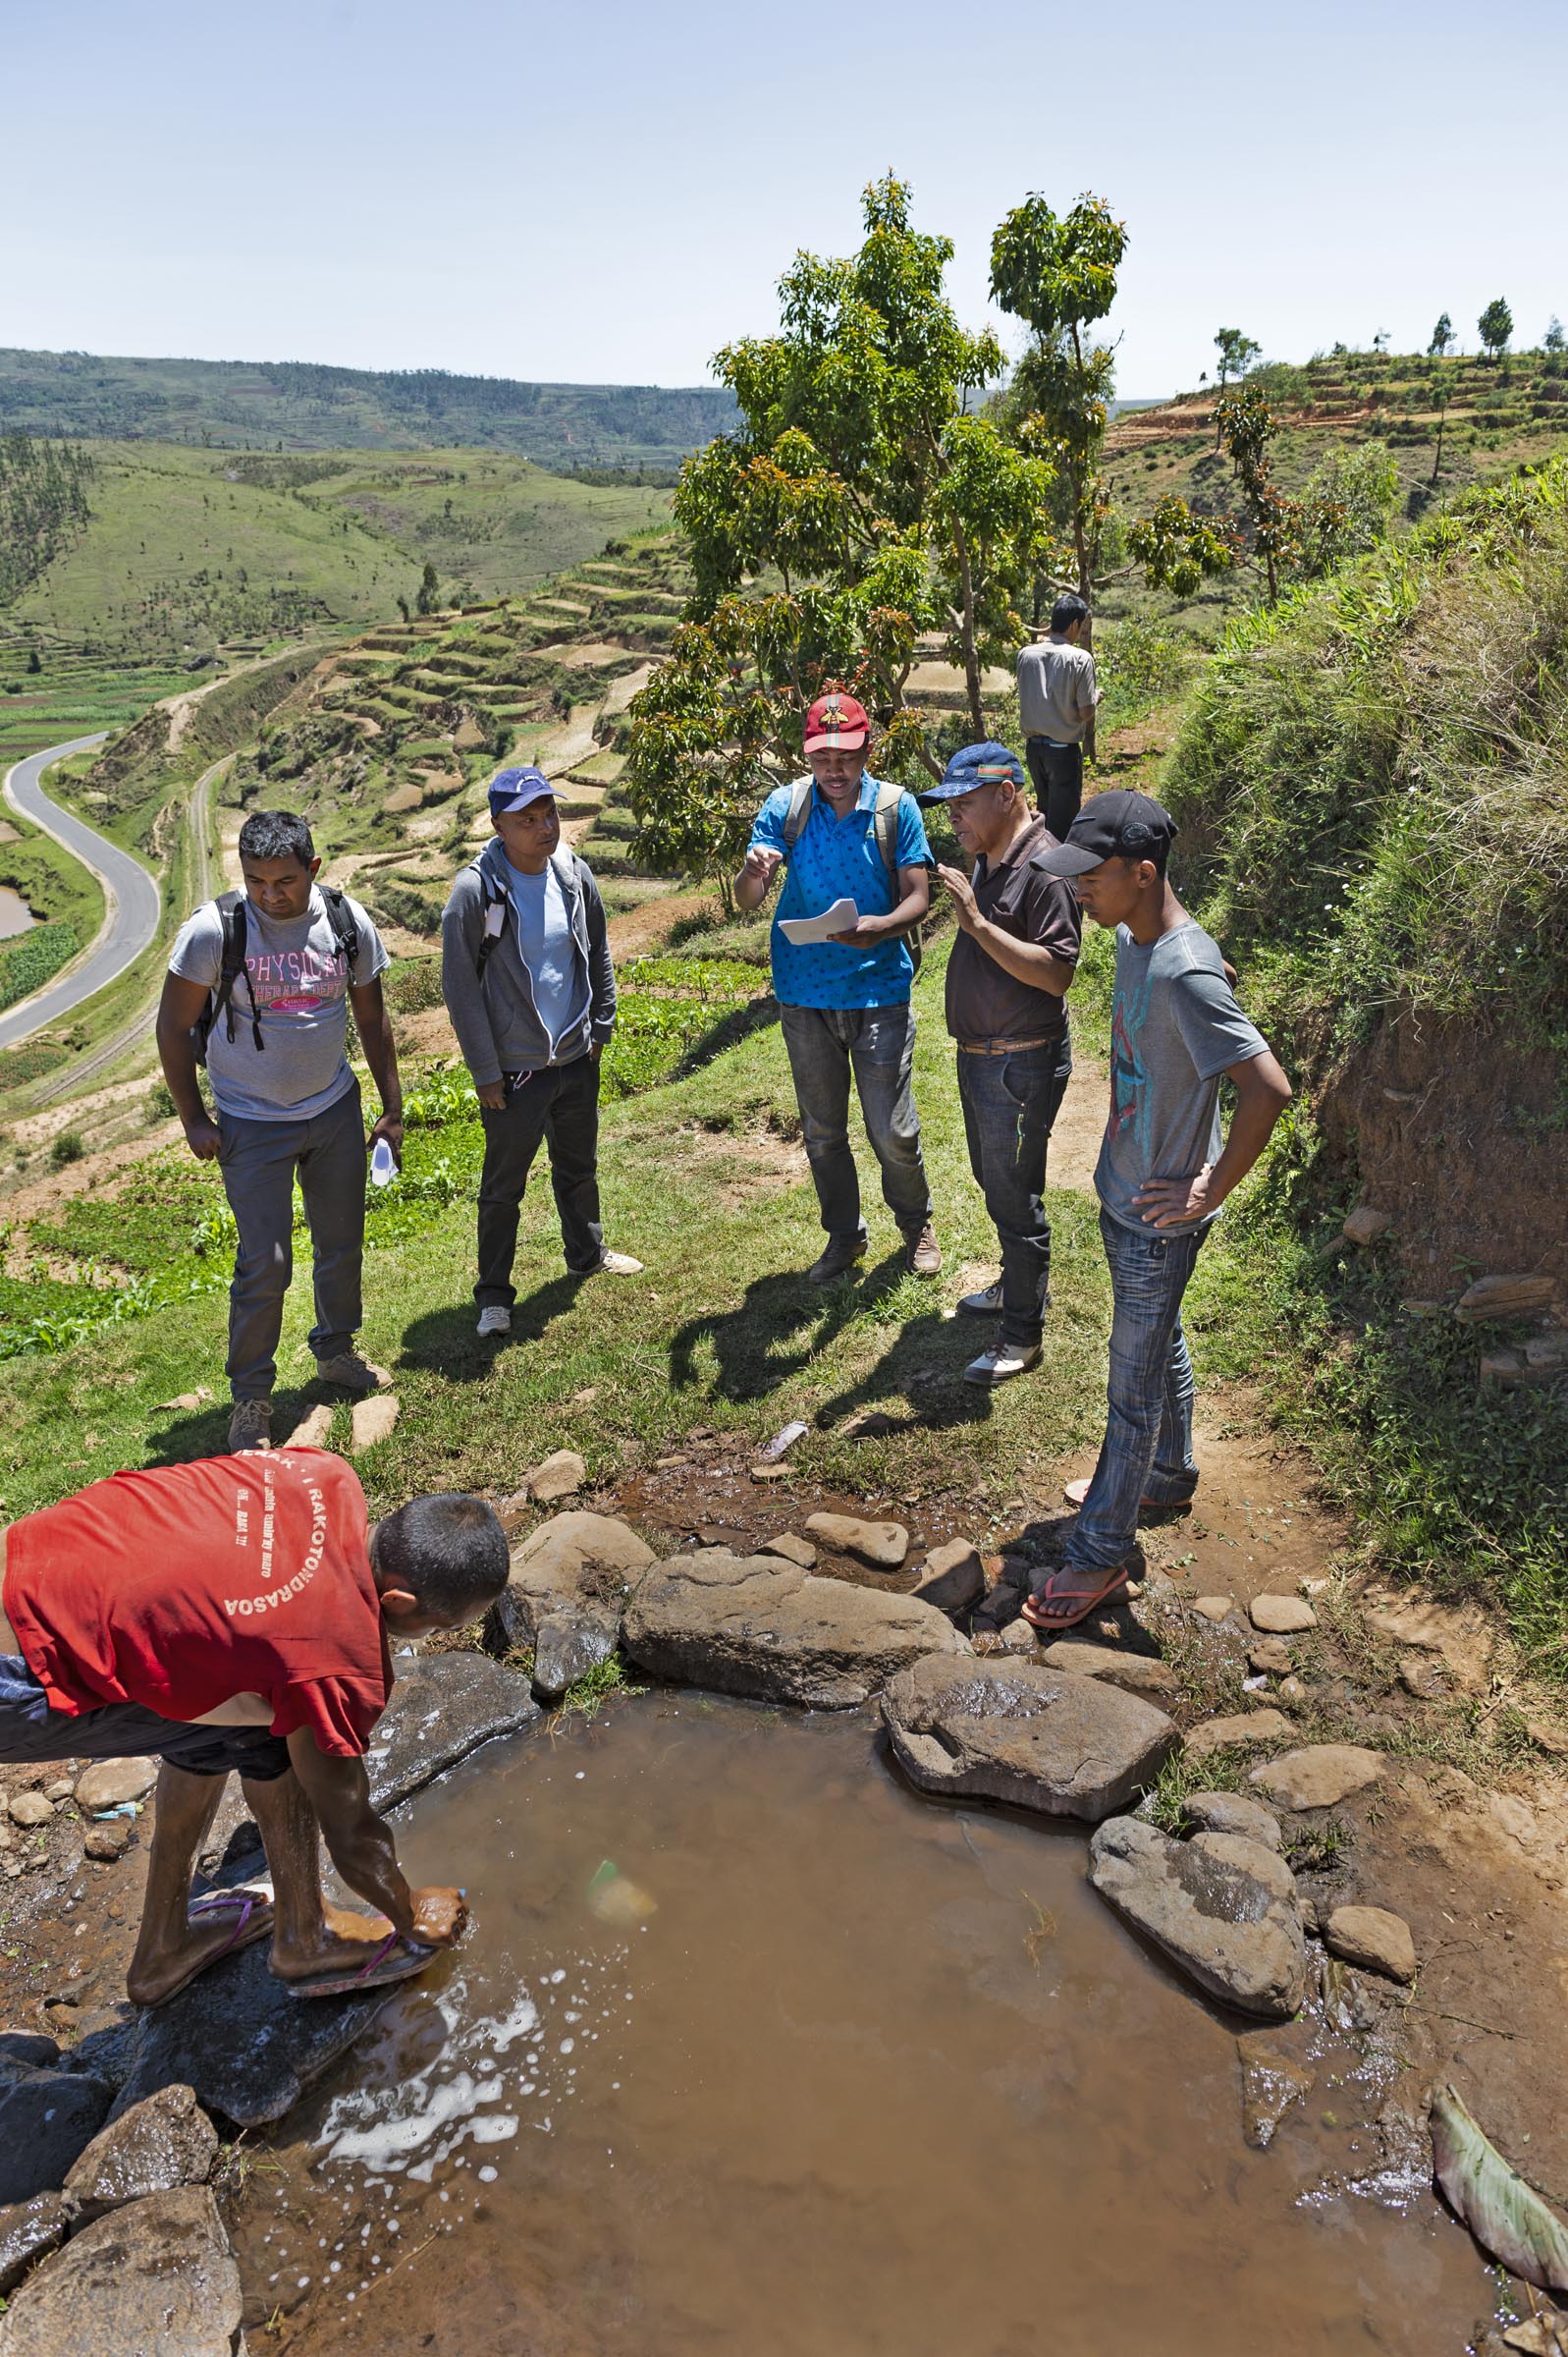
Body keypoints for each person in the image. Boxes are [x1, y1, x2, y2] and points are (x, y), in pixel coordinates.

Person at [0, 1449, 508, 2006]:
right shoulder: (330, 1659)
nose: (438, 1635)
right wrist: (411, 1913)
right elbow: (353, 1834)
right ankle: (306, 1939)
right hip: (22, 1668)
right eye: (443, 1626)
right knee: (284, 1722)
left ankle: (165, 1950)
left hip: (33, 1562)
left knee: (246, 1700)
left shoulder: (321, 1471)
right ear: (398, 1601)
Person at [1020, 790, 1292, 1630]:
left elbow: (1268, 1088)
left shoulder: (1179, 965)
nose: (1076, 893)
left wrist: (1209, 1184)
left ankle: (1099, 1554)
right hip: (1125, 1195)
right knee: (1157, 1337)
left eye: (1090, 878)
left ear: (1142, 873)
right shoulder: (1146, 938)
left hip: (1157, 1220)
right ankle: (1164, 1475)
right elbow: (1203, 981)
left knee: (1129, 1391)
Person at [157, 811, 403, 1457]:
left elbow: (373, 1021)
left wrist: (390, 1108)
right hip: (250, 1121)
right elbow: (173, 1027)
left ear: (314, 870)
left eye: (285, 881)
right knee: (264, 1264)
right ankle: (252, 1398)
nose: (271, 895)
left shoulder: (347, 924)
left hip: (333, 1111)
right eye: (257, 881)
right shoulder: (215, 931)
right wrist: (192, 1117)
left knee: (340, 1244)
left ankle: (336, 1352)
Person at [734, 690, 941, 1283]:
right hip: (804, 993)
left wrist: (881, 928)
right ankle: (844, 1237)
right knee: (823, 1131)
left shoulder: (896, 810)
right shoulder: (785, 807)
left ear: (866, 750)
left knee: (892, 1128)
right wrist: (752, 875)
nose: (834, 770)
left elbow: (919, 897)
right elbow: (746, 903)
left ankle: (915, 1223)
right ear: (808, 756)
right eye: (823, 757)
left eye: (846, 756)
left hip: (878, 990)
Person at [442, 764, 641, 1340]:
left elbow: (596, 950)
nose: (543, 827)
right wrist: (485, 1070)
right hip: (515, 1067)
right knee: (504, 1186)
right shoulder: (474, 891)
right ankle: (495, 1298)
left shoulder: (573, 874)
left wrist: (600, 1027)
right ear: (498, 825)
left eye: (549, 813)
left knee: (578, 1167)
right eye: (526, 819)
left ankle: (587, 1253)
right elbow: (459, 988)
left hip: (576, 1055)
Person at [923, 741, 1082, 1386]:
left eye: (963, 804)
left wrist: (977, 926)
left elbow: (1056, 974)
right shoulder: (991, 858)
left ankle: (1021, 1335)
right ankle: (1019, 1288)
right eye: (950, 806)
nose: (952, 818)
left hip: (1018, 1065)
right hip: (986, 1060)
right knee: (998, 1186)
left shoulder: (1044, 868)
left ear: (1007, 793)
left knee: (1016, 1198)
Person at [1016, 593, 1101, 843]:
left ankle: (1041, 869)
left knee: (1044, 814)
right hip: (1063, 752)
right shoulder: (1080, 658)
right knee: (1063, 827)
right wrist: (1096, 697)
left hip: (1034, 751)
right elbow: (1085, 711)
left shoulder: (1026, 655)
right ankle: (1059, 876)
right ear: (1075, 624)